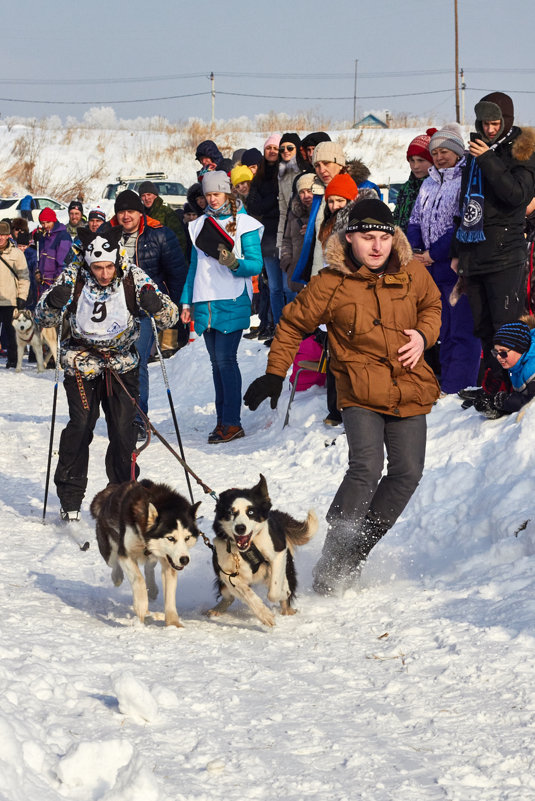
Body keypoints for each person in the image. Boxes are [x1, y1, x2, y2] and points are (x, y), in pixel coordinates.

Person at [244, 199, 441, 595]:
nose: (377, 246)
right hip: (359, 391)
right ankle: (335, 555)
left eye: (384, 237)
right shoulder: (331, 283)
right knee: (366, 468)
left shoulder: (412, 271)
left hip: (409, 386)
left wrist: (423, 334)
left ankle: (356, 553)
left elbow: (432, 307)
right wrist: (274, 374)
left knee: (407, 473)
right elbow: (291, 324)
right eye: (367, 237)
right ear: (350, 238)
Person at [34, 227, 178, 522]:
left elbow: (170, 317)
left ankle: (123, 496)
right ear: (89, 264)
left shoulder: (133, 277)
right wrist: (52, 302)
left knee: (123, 432)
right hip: (82, 363)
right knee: (80, 426)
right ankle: (70, 497)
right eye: (97, 268)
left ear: (117, 260)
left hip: (122, 364)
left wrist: (157, 305)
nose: (103, 273)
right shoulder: (73, 277)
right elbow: (41, 316)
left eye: (108, 266)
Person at [454, 92, 535, 398]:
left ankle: (516, 384)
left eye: (495, 123)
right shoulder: (475, 153)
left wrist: (487, 158)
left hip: (505, 252)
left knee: (506, 327)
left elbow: (516, 196)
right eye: (485, 123)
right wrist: (456, 252)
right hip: (474, 253)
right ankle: (492, 384)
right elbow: (464, 207)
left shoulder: (521, 151)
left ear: (507, 121)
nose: (489, 129)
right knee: (483, 327)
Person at [180, 171, 263, 443]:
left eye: (217, 194)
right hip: (205, 302)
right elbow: (194, 267)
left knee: (227, 361)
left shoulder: (246, 224)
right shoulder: (199, 225)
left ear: (227, 193)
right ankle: (222, 422)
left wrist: (234, 263)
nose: (213, 200)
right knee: (217, 364)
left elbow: (256, 264)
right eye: (208, 195)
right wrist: (186, 300)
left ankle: (232, 422)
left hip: (232, 299)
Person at [100, 190, 188, 439]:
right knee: (111, 363)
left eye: (131, 211)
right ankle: (119, 414)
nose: (126, 216)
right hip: (111, 309)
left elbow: (176, 273)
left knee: (136, 360)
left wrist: (176, 306)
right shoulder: (106, 235)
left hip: (143, 309)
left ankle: (139, 418)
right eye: (121, 211)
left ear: (141, 212)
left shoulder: (159, 233)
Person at [407, 124, 481, 394]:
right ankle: (448, 383)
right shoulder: (428, 182)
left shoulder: (466, 180)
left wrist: (433, 253)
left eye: (444, 151)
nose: (439, 157)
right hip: (429, 268)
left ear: (457, 151)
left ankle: (461, 385)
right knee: (443, 330)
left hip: (454, 265)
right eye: (435, 152)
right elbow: (415, 219)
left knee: (462, 328)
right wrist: (415, 250)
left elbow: (461, 223)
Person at [247, 134, 284, 336]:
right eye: (269, 147)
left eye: (275, 148)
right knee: (275, 287)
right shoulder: (259, 176)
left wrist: (269, 203)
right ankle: (277, 328)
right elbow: (255, 205)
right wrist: (274, 199)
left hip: (286, 236)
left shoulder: (285, 173)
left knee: (287, 288)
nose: (272, 151)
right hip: (268, 238)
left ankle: (289, 328)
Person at [473, 319, 535, 418]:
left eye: (503, 352)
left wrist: (503, 402)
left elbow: (531, 404)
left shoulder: (532, 369)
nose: (498, 357)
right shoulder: (515, 366)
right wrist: (491, 399)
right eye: (495, 352)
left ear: (520, 349)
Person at [393, 128, 436, 232]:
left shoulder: (437, 187)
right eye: (412, 161)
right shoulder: (406, 187)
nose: (415, 166)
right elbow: (396, 216)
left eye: (421, 160)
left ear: (433, 160)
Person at [0, 220, 30, 368]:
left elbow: (24, 277)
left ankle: (13, 359)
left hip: (9, 299)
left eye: (3, 235)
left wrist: (21, 297)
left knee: (11, 333)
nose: (0, 237)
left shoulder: (17, 254)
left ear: (8, 236)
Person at [138, 179, 187, 257]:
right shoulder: (140, 215)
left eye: (149, 194)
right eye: (143, 196)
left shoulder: (167, 213)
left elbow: (180, 239)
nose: (146, 198)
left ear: (155, 195)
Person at [35, 208, 72, 293]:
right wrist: (37, 271)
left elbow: (63, 262)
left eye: (48, 222)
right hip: (43, 283)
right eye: (43, 223)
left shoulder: (63, 237)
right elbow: (39, 258)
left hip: (54, 283)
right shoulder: (44, 237)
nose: (45, 225)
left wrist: (58, 281)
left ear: (54, 221)